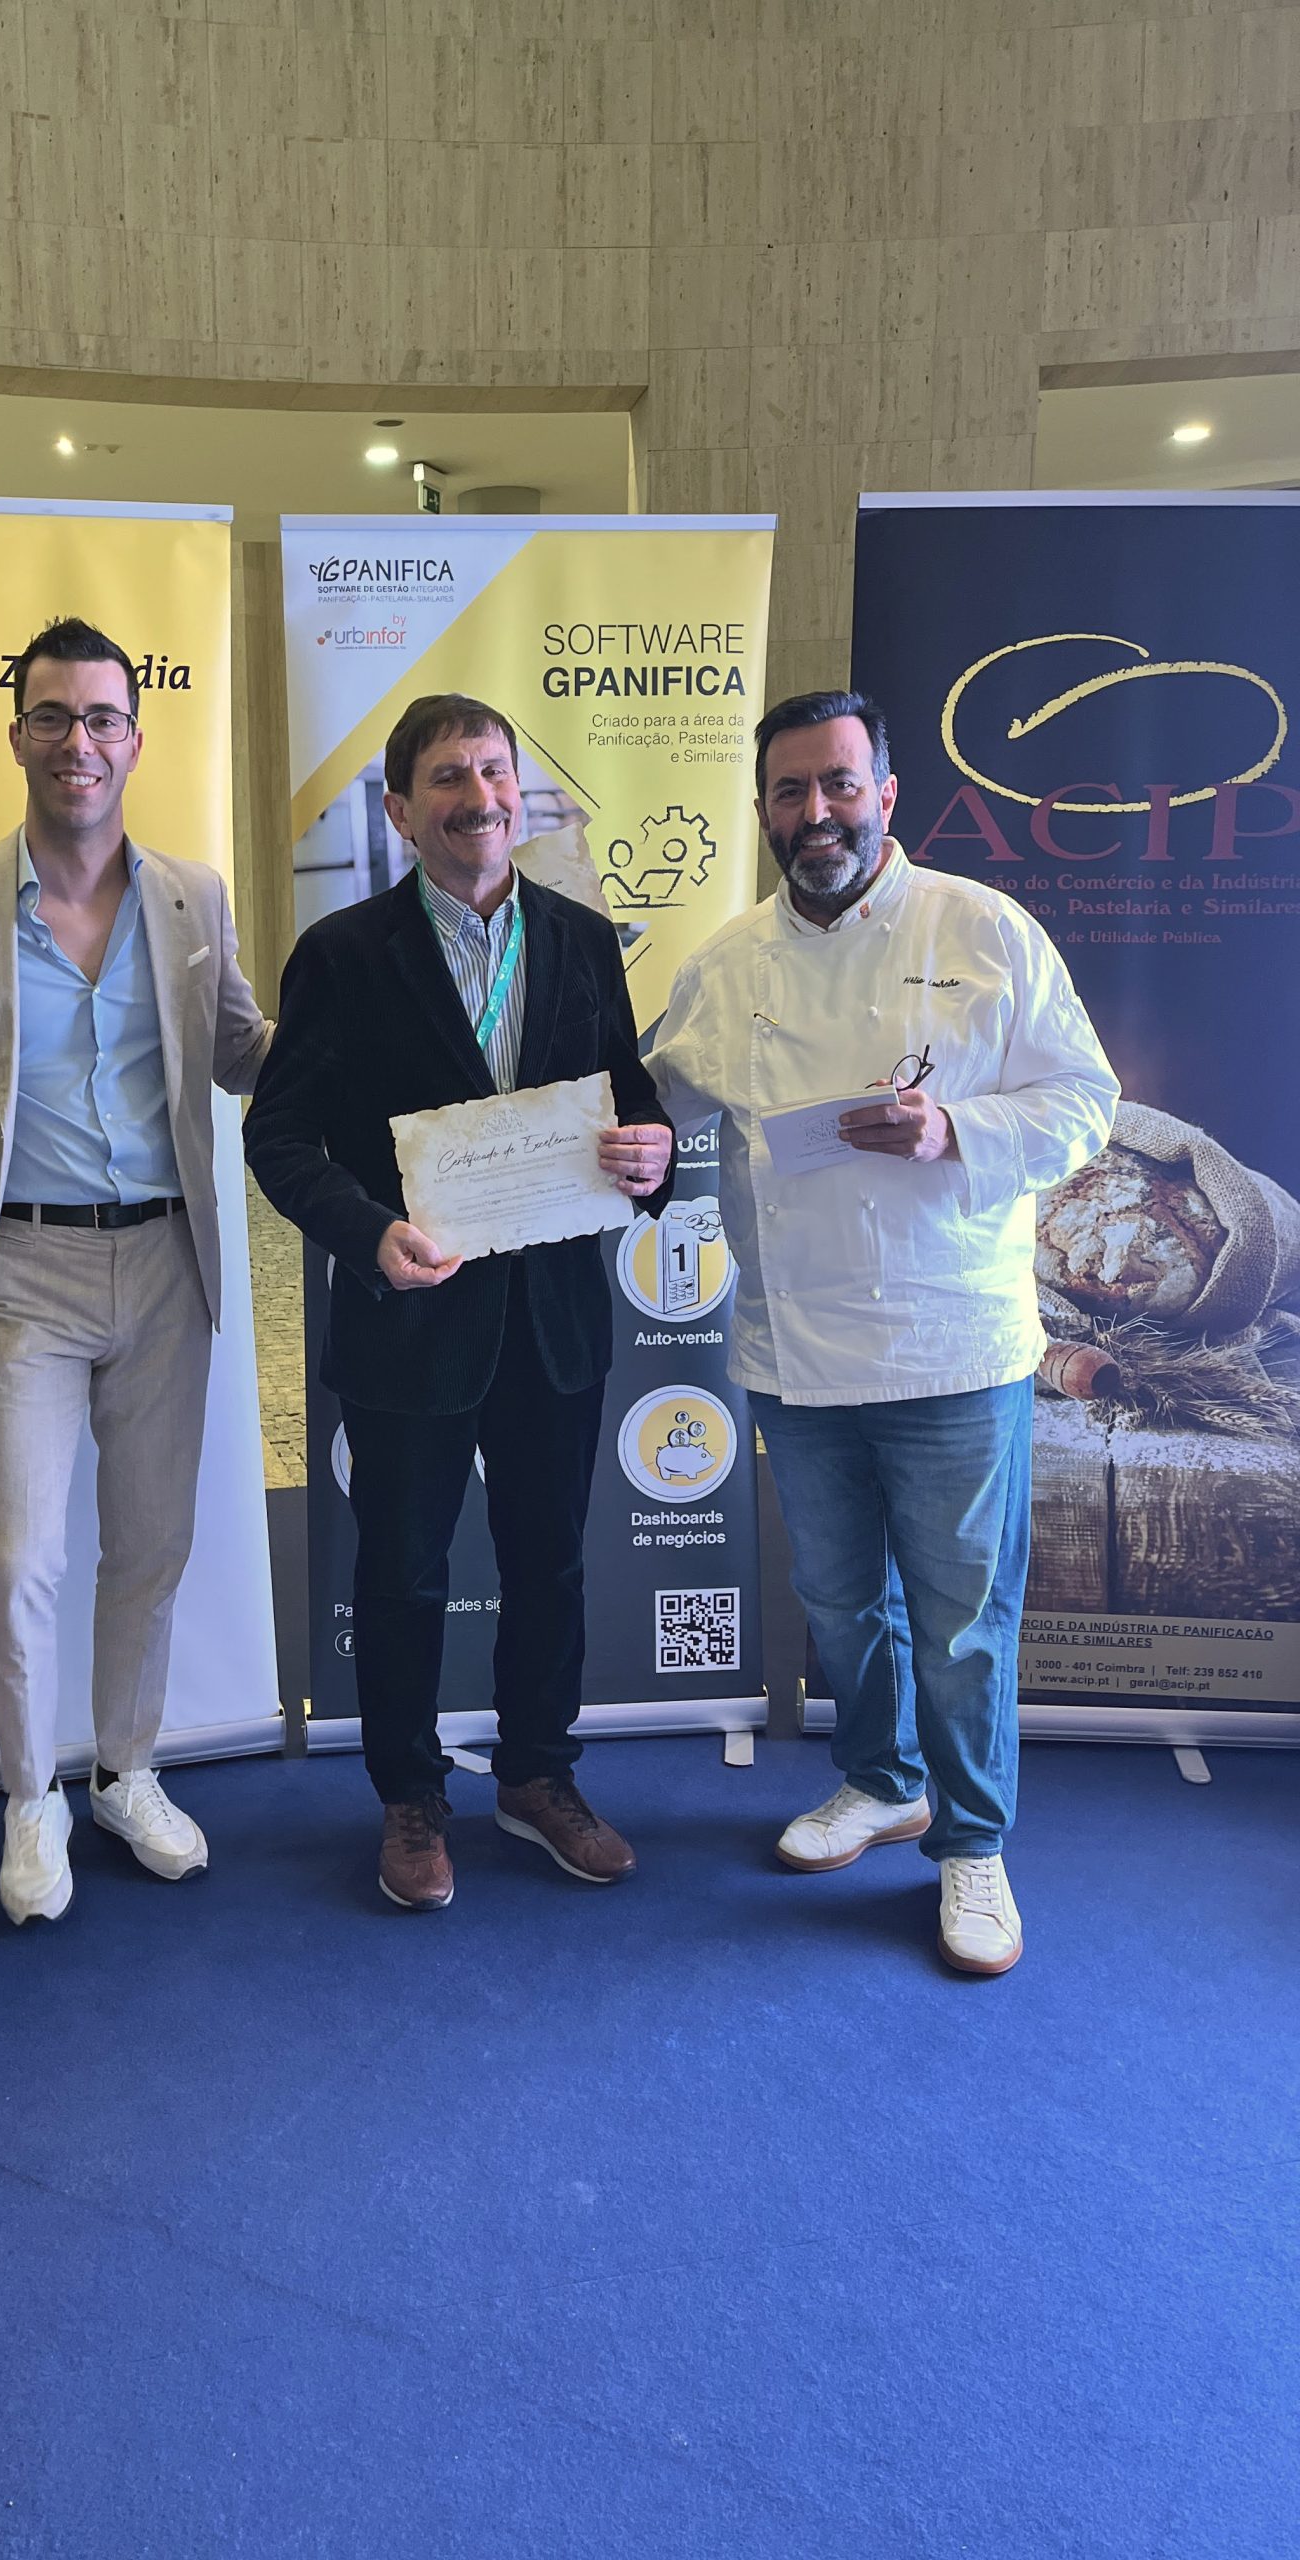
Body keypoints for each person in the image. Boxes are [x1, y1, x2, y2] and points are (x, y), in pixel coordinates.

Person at [646, 690, 1118, 1976]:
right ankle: (880, 1778)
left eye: (840, 784)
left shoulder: (984, 929)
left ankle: (973, 1842)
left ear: (888, 793)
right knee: (843, 1600)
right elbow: (657, 1104)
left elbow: (1086, 1101)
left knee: (962, 1619)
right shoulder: (726, 963)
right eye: (790, 791)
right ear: (762, 809)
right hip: (797, 1346)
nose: (817, 813)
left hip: (952, 1341)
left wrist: (955, 1128)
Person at [244, 694, 676, 1912]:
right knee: (404, 1573)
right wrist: (366, 1233)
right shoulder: (342, 953)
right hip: (410, 1312)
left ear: (519, 793)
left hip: (553, 1317)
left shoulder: (583, 938)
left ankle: (538, 1776)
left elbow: (630, 1102)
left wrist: (653, 1157)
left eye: (494, 772)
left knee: (549, 1563)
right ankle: (410, 1796)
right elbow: (279, 1137)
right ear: (399, 809)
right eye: (447, 777)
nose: (478, 797)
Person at [0, 616, 270, 1924]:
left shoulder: (193, 897)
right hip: (22, 1268)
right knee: (18, 1558)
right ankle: (28, 1798)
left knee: (151, 1545)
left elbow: (241, 1052)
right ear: (17, 736)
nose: (78, 742)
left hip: (166, 1260)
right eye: (52, 716)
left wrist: (359, 1035)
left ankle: (126, 1771)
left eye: (102, 718)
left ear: (135, 741)